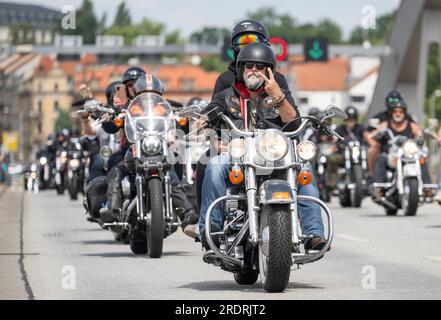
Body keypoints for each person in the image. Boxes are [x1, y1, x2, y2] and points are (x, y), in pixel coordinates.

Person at [198, 43, 326, 252]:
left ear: (269, 70)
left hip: (276, 157)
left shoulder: (279, 93)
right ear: (241, 69)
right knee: (213, 165)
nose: (254, 70)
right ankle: (210, 229)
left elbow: (293, 123)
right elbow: (210, 116)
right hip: (238, 157)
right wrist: (203, 125)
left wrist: (278, 96)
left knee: (305, 170)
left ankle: (313, 233)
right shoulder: (227, 96)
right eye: (249, 65)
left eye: (260, 66)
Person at [104, 73, 199, 238]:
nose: (150, 96)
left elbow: (177, 121)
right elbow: (115, 120)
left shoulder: (163, 108)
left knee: (171, 173)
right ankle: (114, 210)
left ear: (160, 93)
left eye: (154, 92)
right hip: (137, 149)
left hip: (158, 149)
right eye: (145, 92)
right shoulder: (131, 109)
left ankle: (186, 212)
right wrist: (112, 117)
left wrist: (183, 117)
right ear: (138, 93)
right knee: (116, 170)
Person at [366, 100, 432, 198]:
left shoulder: (410, 124)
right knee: (381, 158)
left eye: (400, 111)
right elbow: (373, 134)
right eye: (395, 111)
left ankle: (427, 187)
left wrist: (422, 135)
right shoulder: (386, 124)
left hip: (407, 154)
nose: (398, 114)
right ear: (392, 113)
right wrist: (377, 133)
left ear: (404, 113)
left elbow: (419, 132)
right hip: (392, 155)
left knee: (422, 158)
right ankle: (379, 187)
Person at [364, 90, 414, 177]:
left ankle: (424, 184)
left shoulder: (407, 117)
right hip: (385, 148)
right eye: (391, 100)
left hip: (404, 150)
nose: (398, 114)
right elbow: (367, 133)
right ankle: (373, 176)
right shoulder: (381, 117)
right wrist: (374, 143)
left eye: (396, 100)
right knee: (373, 150)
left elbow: (416, 129)